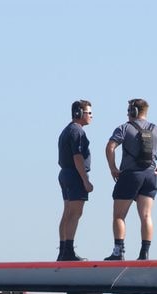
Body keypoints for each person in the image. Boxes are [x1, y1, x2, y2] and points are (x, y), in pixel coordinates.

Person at [104, 98, 157, 260]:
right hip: (150, 177)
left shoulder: (124, 128)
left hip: (130, 175)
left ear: (133, 112)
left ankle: (118, 252)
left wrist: (113, 168)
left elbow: (110, 147)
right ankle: (144, 253)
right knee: (146, 215)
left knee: (119, 216)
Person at [57, 100, 94, 261]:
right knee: (75, 213)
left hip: (66, 174)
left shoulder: (67, 130)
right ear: (79, 113)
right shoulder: (77, 132)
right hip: (74, 175)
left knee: (67, 212)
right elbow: (78, 157)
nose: (91, 116)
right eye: (89, 113)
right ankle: (68, 251)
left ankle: (63, 249)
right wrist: (85, 180)